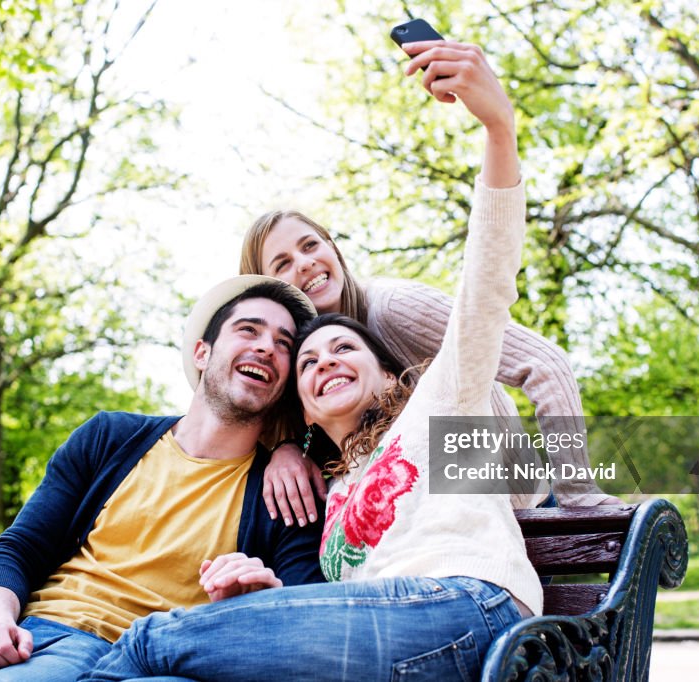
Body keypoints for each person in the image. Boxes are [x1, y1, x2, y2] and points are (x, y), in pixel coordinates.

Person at [82, 39, 545, 682]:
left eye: (345, 347)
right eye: (306, 362)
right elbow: (344, 617)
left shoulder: (441, 402)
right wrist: (262, 595)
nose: (324, 360)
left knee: (149, 641)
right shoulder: (327, 494)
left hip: (470, 608)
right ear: (298, 402)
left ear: (389, 374)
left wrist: (499, 129)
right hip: (397, 642)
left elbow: (487, 280)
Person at [241, 81, 620, 533]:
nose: (305, 264)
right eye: (284, 262)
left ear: (333, 248)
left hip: (511, 511)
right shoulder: (303, 366)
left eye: (311, 245)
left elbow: (545, 363)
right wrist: (285, 449)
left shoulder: (395, 309)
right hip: (412, 532)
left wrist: (579, 498)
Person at [0, 277, 323, 681]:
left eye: (284, 344)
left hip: (133, 655)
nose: (266, 347)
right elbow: (18, 549)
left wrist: (261, 601)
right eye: (248, 329)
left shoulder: (286, 493)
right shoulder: (110, 437)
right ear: (202, 353)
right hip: (26, 631)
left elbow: (304, 619)